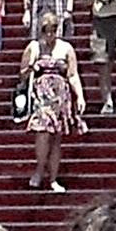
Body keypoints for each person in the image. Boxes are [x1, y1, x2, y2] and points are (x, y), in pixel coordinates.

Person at [19, 13, 85, 193]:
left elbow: (72, 74)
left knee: (56, 138)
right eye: (46, 31)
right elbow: (22, 74)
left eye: (53, 31)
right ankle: (40, 169)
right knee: (42, 132)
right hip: (41, 95)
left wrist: (80, 96)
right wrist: (32, 67)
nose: (49, 35)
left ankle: (53, 178)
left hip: (60, 95)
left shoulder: (66, 48)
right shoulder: (33, 47)